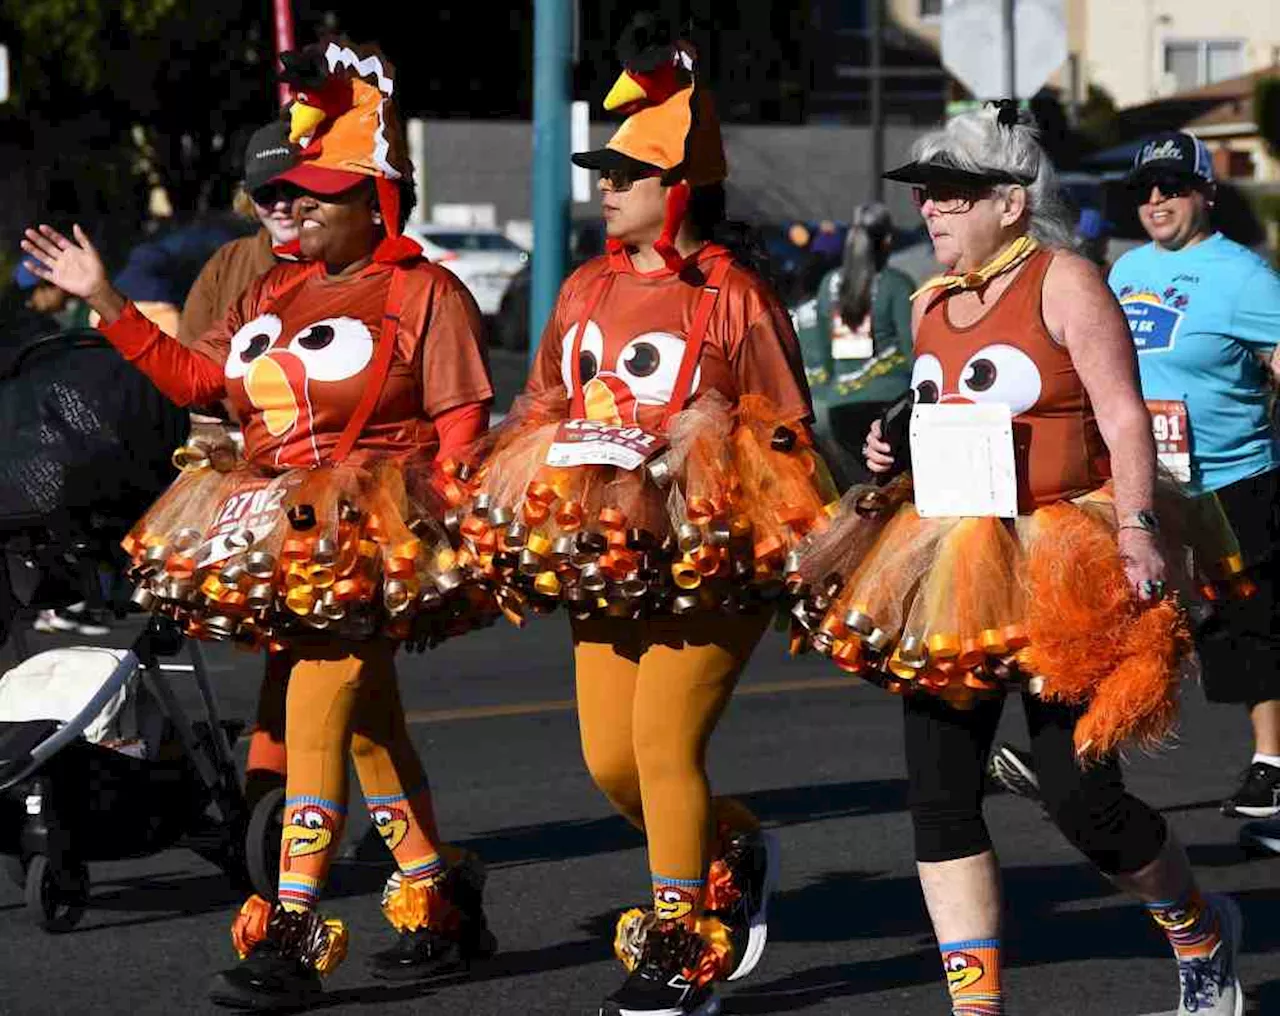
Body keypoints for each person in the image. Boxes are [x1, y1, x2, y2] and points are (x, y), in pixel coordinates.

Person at [22, 40, 496, 1012]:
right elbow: (201, 382)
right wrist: (105, 299)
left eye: (316, 190)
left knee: (321, 715)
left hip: (372, 539)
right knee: (371, 731)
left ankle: (289, 928)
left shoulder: (424, 291)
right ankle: (441, 898)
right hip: (274, 528)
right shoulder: (271, 289)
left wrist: (433, 536)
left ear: (376, 196)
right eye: (284, 192)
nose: (293, 205)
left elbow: (461, 429)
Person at [796, 104, 1243, 1015]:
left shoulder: (1066, 279)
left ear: (1010, 201)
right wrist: (895, 444)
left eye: (953, 196)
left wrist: (1134, 528)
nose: (932, 212)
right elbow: (941, 408)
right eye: (926, 196)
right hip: (949, 556)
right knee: (939, 795)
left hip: (1061, 554)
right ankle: (978, 1005)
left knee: (1083, 801)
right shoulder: (929, 300)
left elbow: (1122, 415)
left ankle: (1198, 930)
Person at [462, 17, 829, 1016]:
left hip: (707, 554)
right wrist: (514, 478)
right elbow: (541, 402)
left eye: (625, 170)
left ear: (677, 187)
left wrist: (704, 445)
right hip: (599, 551)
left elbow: (788, 434)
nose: (604, 184)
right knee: (608, 761)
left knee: (665, 748)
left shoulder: (733, 295)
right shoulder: (583, 284)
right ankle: (731, 840)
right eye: (603, 169)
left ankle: (678, 944)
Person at [992, 132, 1280, 840]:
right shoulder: (1123, 272)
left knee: (1249, 627)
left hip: (1229, 476)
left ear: (1206, 193)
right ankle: (1085, 754)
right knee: (1124, 618)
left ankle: (1272, 764)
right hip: (1140, 482)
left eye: (1173, 187)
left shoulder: (1245, 276)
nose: (1157, 201)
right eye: (1145, 190)